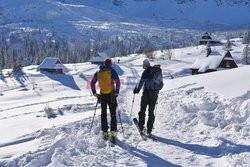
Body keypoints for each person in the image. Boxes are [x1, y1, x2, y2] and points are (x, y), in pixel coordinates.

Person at [90, 58, 120, 140]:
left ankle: (105, 132)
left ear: (103, 64)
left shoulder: (98, 72)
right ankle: (113, 132)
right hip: (111, 95)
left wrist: (95, 93)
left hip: (102, 95)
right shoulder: (112, 71)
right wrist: (117, 92)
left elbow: (92, 83)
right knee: (113, 113)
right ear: (110, 64)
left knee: (103, 114)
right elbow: (118, 82)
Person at [133, 59, 163, 136]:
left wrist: (137, 90)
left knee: (142, 111)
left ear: (144, 65)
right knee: (151, 112)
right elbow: (161, 84)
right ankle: (149, 129)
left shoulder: (146, 72)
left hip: (146, 94)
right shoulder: (156, 72)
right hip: (154, 94)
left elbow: (141, 82)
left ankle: (141, 126)